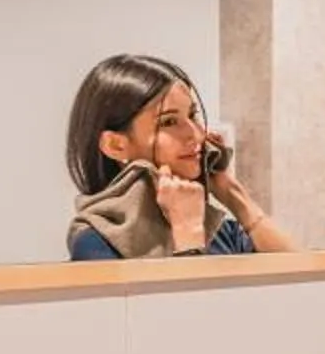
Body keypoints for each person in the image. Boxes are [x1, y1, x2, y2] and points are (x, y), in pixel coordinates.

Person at [62, 54, 299, 260]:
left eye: (192, 115)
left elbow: (303, 285)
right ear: (116, 145)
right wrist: (188, 233)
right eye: (169, 121)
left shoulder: (218, 229)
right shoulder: (98, 239)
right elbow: (185, 311)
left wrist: (235, 196)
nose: (196, 135)